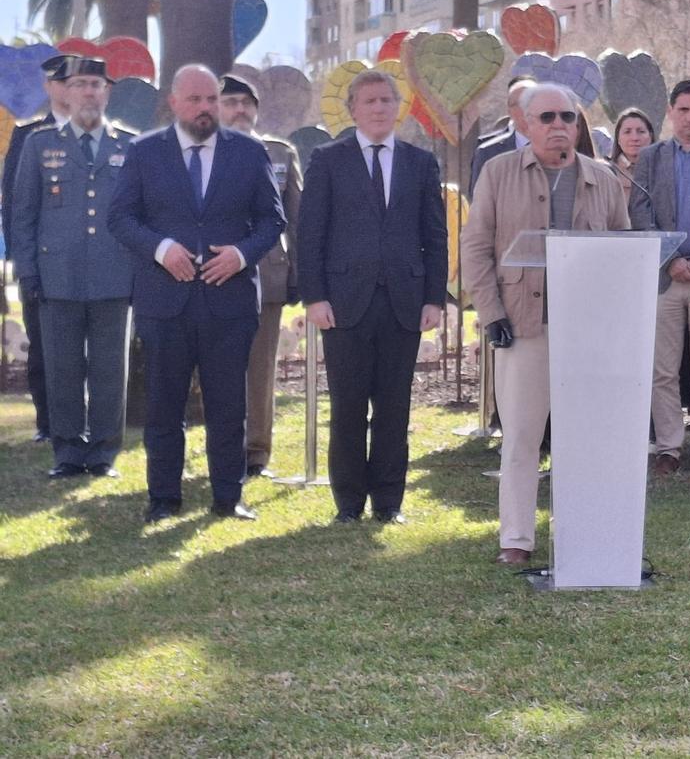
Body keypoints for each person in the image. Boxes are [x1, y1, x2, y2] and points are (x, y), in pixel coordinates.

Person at [462, 82, 630, 564]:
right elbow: (475, 248)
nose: (559, 127)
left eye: (568, 118)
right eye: (548, 118)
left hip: (588, 329)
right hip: (522, 325)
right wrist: (491, 311)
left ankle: (585, 532)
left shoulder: (605, 177)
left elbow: (622, 248)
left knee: (585, 438)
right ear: (525, 124)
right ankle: (516, 539)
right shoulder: (498, 172)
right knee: (521, 438)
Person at [109, 64, 285, 523]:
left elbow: (272, 220)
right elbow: (121, 218)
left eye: (212, 99)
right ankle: (163, 498)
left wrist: (242, 255)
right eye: (196, 100)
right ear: (174, 102)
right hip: (165, 302)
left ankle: (229, 497)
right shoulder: (145, 152)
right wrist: (162, 249)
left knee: (229, 405)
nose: (206, 108)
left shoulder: (248, 152)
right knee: (164, 406)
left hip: (230, 302)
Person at [298, 69, 448, 524]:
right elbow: (310, 235)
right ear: (354, 110)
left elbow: (435, 237)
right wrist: (315, 296)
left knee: (394, 406)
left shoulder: (421, 164)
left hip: (403, 302)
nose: (380, 108)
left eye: (386, 100)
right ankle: (348, 503)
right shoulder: (327, 160)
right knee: (347, 406)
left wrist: (434, 298)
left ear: (397, 106)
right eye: (370, 102)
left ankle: (388, 502)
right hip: (344, 303)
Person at [10, 57, 134, 478]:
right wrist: (27, 272)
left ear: (107, 92)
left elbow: (142, 214)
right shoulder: (40, 145)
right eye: (79, 83)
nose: (87, 92)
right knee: (62, 368)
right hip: (56, 278)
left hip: (114, 277)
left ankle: (102, 453)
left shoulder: (128, 146)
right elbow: (23, 214)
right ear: (65, 90)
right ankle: (66, 451)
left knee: (108, 369)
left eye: (96, 84)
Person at [629, 80, 690, 478]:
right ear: (670, 113)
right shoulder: (650, 157)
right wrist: (669, 260)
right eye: (683, 110)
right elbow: (639, 212)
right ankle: (668, 447)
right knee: (662, 369)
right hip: (665, 278)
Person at [217, 74, 303, 478]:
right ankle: (221, 447)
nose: (239, 110)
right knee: (214, 369)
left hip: (266, 277)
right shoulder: (201, 151)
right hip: (211, 275)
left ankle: (256, 453)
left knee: (260, 370)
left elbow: (296, 218)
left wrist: (300, 274)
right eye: (230, 102)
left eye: (246, 103)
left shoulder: (279, 153)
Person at [2, 53, 74, 442]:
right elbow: (13, 203)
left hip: (86, 262)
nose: (68, 88)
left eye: (75, 81)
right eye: (61, 81)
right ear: (48, 87)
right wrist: (21, 260)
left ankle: (86, 421)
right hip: (41, 265)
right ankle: (48, 424)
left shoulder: (101, 136)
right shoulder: (27, 134)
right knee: (44, 349)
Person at [468, 76, 536, 200]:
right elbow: (480, 205)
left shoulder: (558, 149)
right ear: (509, 110)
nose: (530, 109)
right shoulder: (488, 153)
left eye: (535, 102)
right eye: (523, 103)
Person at [608, 108, 655, 204]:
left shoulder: (665, 170)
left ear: (650, 136)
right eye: (627, 132)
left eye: (641, 131)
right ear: (618, 139)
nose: (634, 138)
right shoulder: (607, 173)